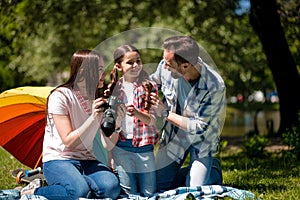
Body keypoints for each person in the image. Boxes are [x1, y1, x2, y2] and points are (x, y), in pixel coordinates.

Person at [21, 49, 120, 199]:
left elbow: (106, 144)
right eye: (100, 70)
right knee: (79, 192)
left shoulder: (97, 98)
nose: (104, 75)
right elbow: (68, 141)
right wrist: (93, 117)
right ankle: (34, 191)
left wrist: (118, 125)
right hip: (59, 159)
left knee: (111, 189)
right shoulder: (60, 96)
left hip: (87, 159)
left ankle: (79, 183)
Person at [150, 36, 226, 191]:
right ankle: (192, 172)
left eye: (169, 64)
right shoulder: (165, 65)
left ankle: (212, 170)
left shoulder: (214, 86)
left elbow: (200, 126)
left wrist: (164, 113)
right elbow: (154, 81)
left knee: (194, 189)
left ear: (185, 65)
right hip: (174, 135)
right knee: (157, 185)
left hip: (202, 140)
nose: (164, 66)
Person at [101, 44, 158, 197]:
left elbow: (152, 121)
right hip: (121, 148)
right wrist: (110, 157)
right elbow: (110, 127)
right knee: (129, 193)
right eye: (130, 62)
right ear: (118, 66)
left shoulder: (149, 87)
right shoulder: (114, 89)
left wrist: (136, 113)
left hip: (144, 147)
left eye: (138, 61)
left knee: (149, 192)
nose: (136, 65)